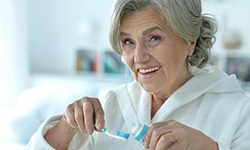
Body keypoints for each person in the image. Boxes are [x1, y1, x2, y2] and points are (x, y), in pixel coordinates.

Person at [27, 0, 250, 149]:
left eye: (154, 38)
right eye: (128, 42)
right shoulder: (113, 105)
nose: (139, 57)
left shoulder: (238, 111)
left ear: (190, 41)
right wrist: (67, 125)